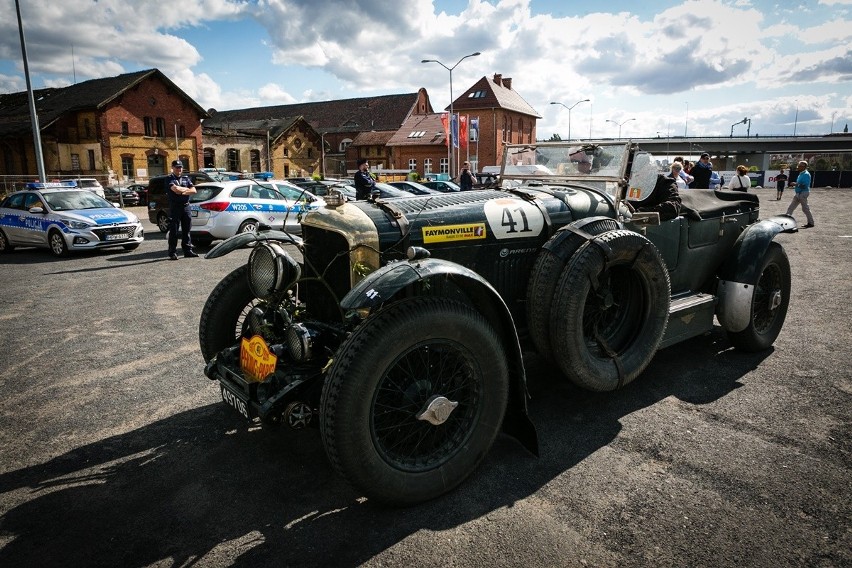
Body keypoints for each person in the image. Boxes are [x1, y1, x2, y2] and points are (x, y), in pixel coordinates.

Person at [166, 160, 198, 260]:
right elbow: (175, 190)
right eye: (177, 167)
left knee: (187, 230)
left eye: (180, 167)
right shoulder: (169, 178)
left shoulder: (186, 178)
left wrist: (182, 191)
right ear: (172, 168)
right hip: (175, 207)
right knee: (174, 231)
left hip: (186, 206)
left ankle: (187, 250)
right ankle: (172, 252)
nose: (179, 169)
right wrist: (186, 190)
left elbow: (194, 190)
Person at [786, 160, 815, 228]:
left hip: (803, 193)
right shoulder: (801, 174)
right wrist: (796, 185)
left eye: (799, 166)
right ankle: (786, 222)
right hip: (799, 193)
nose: (798, 167)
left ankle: (811, 223)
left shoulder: (806, 174)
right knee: (791, 208)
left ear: (804, 167)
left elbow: (805, 185)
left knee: (805, 209)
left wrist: (795, 184)